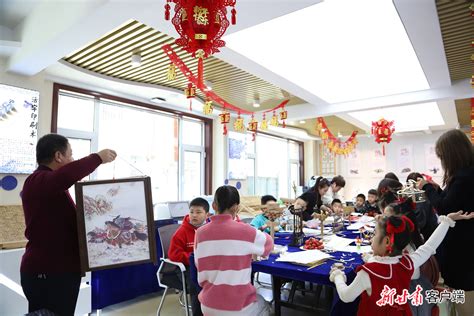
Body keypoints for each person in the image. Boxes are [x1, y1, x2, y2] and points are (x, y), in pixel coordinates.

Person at [21, 134, 116, 316]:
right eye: (70, 155)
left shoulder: (51, 187)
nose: (72, 160)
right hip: (47, 273)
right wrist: (98, 158)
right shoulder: (37, 181)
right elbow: (67, 175)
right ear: (58, 156)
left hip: (60, 271)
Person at [330, 211, 474, 315]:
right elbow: (429, 246)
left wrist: (338, 276)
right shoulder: (407, 262)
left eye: (375, 235)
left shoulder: (367, 273)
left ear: (386, 241)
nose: (372, 238)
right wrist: (446, 222)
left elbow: (346, 296)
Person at [416, 129, 474, 316]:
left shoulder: (464, 177)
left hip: (464, 249)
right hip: (463, 247)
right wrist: (437, 189)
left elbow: (445, 208)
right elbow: (453, 203)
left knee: (464, 295)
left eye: (442, 156)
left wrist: (427, 188)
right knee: (460, 294)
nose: (442, 161)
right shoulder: (464, 174)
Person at [194, 186, 273, 315]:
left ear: (214, 205)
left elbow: (199, 263)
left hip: (208, 305)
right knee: (267, 306)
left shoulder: (200, 233)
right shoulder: (246, 231)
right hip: (237, 307)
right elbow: (268, 244)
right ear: (236, 207)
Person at [168, 198, 210, 316]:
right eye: (191, 212)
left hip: (205, 266)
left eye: (198, 212)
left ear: (207, 214)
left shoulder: (210, 229)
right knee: (197, 283)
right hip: (186, 268)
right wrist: (193, 258)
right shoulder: (181, 232)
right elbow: (174, 254)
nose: (194, 215)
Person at [406, 172, 437, 240]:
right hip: (432, 233)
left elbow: (420, 223)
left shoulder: (420, 198)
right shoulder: (425, 195)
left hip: (428, 236)